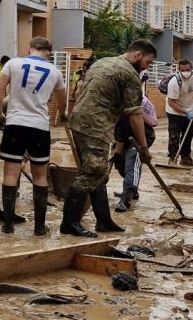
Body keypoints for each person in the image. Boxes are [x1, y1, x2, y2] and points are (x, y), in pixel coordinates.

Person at [62, 40, 156, 237]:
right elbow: (135, 114)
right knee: (92, 173)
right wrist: (144, 148)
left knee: (100, 173)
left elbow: (80, 91)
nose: (147, 67)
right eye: (148, 62)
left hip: (79, 119)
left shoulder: (102, 62)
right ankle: (69, 223)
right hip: (95, 125)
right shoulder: (129, 74)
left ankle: (103, 220)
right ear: (137, 55)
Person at [0, 37, 67, 235]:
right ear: (48, 53)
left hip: (15, 124)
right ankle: (39, 227)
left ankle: (7, 225)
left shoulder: (13, 63)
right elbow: (61, 102)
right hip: (40, 127)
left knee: (10, 173)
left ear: (29, 48)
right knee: (40, 176)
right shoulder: (55, 72)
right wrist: (63, 115)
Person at [113, 72, 158, 212]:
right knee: (122, 165)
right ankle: (132, 190)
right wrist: (117, 153)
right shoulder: (117, 103)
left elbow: (120, 132)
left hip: (141, 138)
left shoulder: (130, 104)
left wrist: (143, 148)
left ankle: (125, 199)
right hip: (126, 137)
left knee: (132, 165)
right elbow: (118, 134)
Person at [164, 60, 193, 166]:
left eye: (188, 69)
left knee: (188, 134)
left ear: (191, 68)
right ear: (178, 70)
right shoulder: (174, 82)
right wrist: (185, 111)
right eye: (182, 70)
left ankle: (185, 158)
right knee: (174, 135)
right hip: (174, 111)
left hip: (190, 110)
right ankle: (172, 158)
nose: (185, 72)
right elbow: (171, 102)